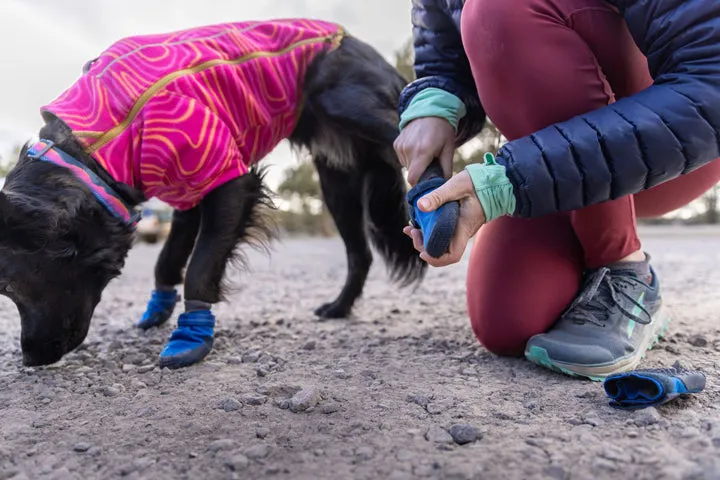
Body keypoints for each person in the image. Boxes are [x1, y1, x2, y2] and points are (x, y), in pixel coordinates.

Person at [394, 0, 720, 380]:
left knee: (498, 9)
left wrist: (509, 182)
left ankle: (625, 270)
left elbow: (710, 86)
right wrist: (434, 106)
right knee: (509, 323)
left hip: (678, 150)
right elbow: (444, 57)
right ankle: (588, 244)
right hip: (555, 150)